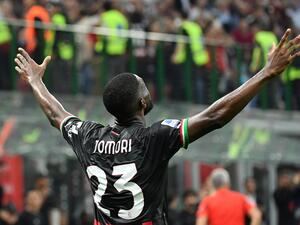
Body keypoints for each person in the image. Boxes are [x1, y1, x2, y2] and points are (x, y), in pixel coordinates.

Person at [14, 28, 300, 225]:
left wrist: (36, 81)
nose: (148, 89)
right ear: (142, 102)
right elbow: (216, 116)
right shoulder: (155, 137)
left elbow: (56, 114)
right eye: (144, 87)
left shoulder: (88, 136)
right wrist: (267, 73)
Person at [196, 168, 261, 225]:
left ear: (213, 184)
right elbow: (257, 215)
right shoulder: (241, 198)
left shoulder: (207, 201)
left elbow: (201, 222)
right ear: (228, 183)